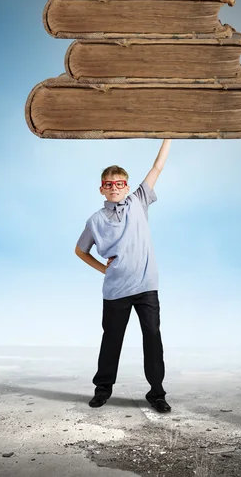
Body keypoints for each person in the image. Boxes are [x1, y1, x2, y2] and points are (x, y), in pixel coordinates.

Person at [75, 140, 172, 413]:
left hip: (146, 287)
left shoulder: (139, 201)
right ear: (101, 188)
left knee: (152, 338)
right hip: (116, 290)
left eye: (119, 183)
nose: (114, 187)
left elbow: (158, 166)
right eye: (109, 184)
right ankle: (102, 390)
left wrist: (169, 135)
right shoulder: (95, 220)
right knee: (111, 340)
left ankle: (157, 394)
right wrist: (104, 269)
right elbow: (80, 250)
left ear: (127, 187)